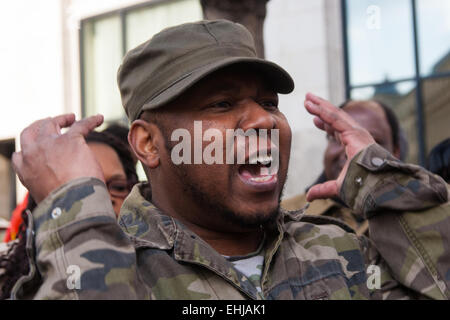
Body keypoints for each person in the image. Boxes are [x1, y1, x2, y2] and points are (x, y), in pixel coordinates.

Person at [10, 20, 450, 300]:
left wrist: (387, 184)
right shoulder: (97, 259)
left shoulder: (341, 253)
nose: (262, 119)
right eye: (221, 105)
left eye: (269, 103)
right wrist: (73, 209)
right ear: (147, 144)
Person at [0, 130, 137, 299]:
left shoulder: (160, 270)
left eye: (118, 187)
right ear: (45, 199)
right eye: (83, 188)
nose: (103, 198)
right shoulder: (6, 277)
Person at [282, 100, 406, 236]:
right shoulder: (284, 218)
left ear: (395, 151)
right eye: (337, 137)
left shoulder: (418, 216)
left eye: (371, 141)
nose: (351, 153)